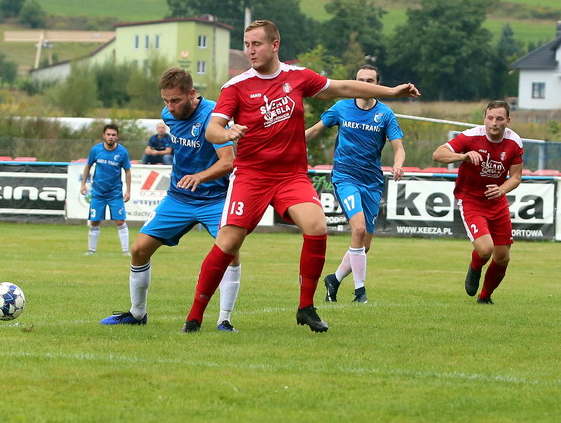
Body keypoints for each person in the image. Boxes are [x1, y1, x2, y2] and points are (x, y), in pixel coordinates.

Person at [180, 20, 420, 333]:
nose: (250, 50)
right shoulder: (236, 86)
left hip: (291, 176)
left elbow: (344, 88)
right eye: (247, 44)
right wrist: (225, 132)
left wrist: (392, 92)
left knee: (316, 226)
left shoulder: (298, 77)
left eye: (257, 44)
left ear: (275, 45)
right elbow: (212, 129)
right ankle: (194, 316)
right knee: (228, 243)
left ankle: (306, 307)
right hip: (252, 175)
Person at [100, 68, 241, 331]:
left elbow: (228, 161)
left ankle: (224, 320)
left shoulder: (213, 116)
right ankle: (137, 314)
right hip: (178, 197)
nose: (170, 107)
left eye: (175, 100)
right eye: (165, 100)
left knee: (230, 253)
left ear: (192, 93)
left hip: (215, 199)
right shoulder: (168, 115)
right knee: (139, 250)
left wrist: (200, 176)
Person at [305, 64, 406, 304]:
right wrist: (284, 141)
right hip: (345, 177)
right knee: (358, 229)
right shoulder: (341, 107)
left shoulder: (385, 114)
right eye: (361, 80)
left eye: (370, 80)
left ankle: (334, 279)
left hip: (372, 182)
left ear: (378, 85)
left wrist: (398, 164)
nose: (364, 84)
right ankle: (360, 293)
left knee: (365, 244)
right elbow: (315, 130)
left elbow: (399, 148)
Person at [432, 100, 523, 304]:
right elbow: (438, 154)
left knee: (503, 257)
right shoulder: (471, 136)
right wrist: (463, 156)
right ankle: (475, 267)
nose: (494, 123)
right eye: (490, 118)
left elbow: (516, 177)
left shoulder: (514, 142)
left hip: (497, 202)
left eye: (499, 118)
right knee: (485, 249)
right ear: (484, 119)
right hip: (471, 200)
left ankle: (485, 297)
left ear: (508, 121)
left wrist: (502, 189)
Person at [81, 123, 132, 256]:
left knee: (120, 221)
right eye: (108, 134)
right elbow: (88, 166)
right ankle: (91, 250)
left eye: (113, 135)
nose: (111, 137)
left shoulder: (122, 152)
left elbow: (127, 171)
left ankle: (125, 251)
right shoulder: (96, 150)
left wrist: (128, 191)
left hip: (115, 193)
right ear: (103, 135)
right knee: (94, 221)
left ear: (117, 137)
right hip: (98, 192)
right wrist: (83, 184)